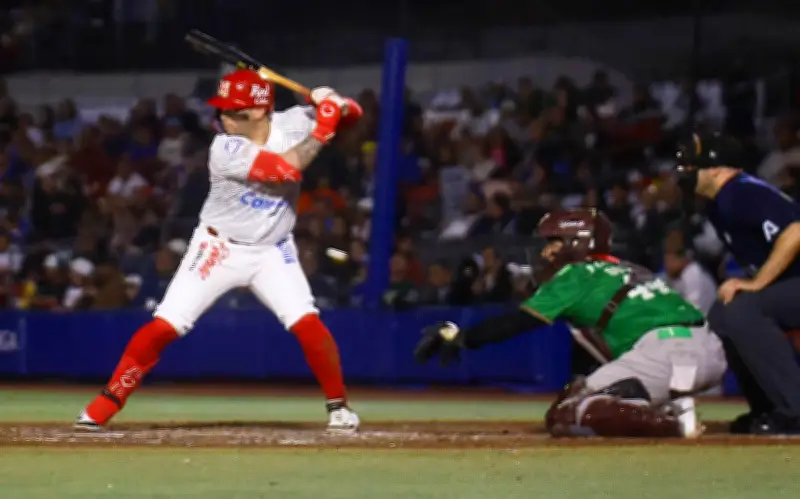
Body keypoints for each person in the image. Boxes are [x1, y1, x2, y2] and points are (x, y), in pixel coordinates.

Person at [74, 69, 363, 433]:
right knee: (165, 326)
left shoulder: (293, 122)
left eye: (233, 111)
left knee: (307, 323)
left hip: (273, 249)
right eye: (222, 110)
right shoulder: (225, 147)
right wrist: (323, 127)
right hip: (218, 247)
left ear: (259, 112)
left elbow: (354, 115)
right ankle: (105, 402)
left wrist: (331, 101)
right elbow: (286, 169)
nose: (222, 118)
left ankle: (338, 407)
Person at [414, 208, 727, 438]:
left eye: (554, 241)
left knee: (573, 412)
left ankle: (675, 424)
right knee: (582, 392)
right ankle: (669, 406)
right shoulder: (629, 268)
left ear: (577, 244)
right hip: (707, 349)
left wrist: (462, 336)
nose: (546, 251)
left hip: (666, 351)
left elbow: (518, 322)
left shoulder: (577, 274)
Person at [676, 131, 800, 434]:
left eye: (693, 168)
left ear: (717, 168)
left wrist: (756, 284)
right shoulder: (719, 202)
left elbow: (795, 231)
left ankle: (795, 409)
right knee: (722, 314)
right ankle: (768, 408)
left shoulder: (740, 191)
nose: (687, 175)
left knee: (743, 310)